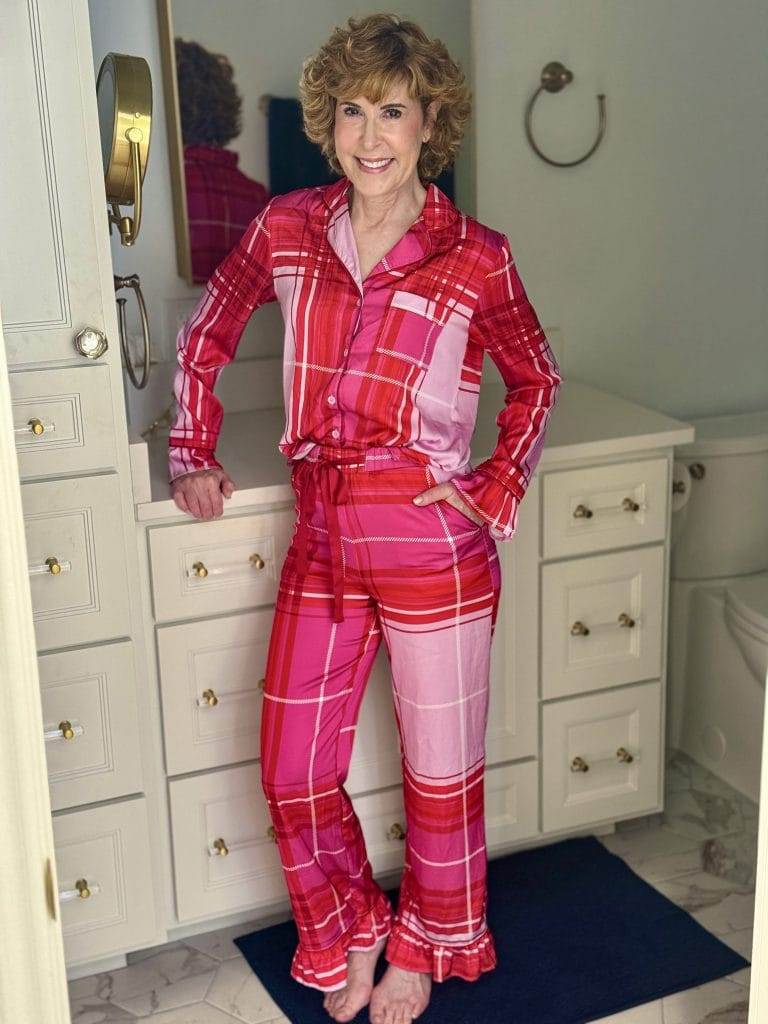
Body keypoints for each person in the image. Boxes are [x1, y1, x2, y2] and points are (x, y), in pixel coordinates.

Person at [168, 13, 563, 1023]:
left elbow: (536, 378)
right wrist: (192, 449)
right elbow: (210, 325)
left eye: (393, 111)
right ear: (329, 121)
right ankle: (346, 924)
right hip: (324, 528)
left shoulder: (476, 254)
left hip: (434, 540)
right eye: (353, 111)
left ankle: (424, 947)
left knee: (439, 777)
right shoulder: (287, 226)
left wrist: (490, 486)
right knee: (292, 770)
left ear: (430, 121)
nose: (371, 135)